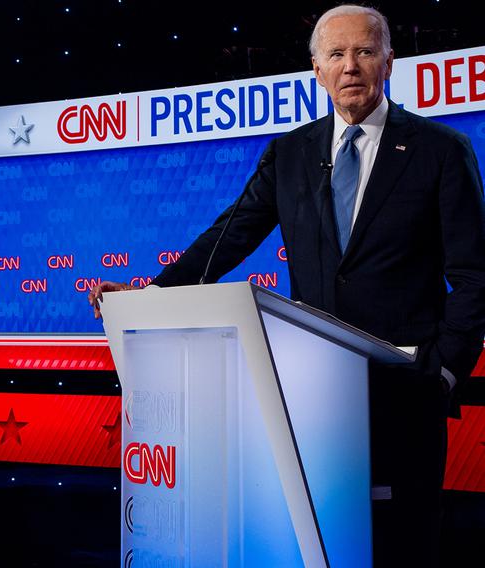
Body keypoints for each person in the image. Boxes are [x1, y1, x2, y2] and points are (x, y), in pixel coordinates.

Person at [89, 5, 485, 566]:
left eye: (366, 52)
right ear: (317, 71)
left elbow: (474, 277)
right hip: (312, 394)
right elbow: (230, 236)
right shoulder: (291, 151)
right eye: (337, 55)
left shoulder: (441, 150)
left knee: (402, 546)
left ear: (389, 62)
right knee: (318, 545)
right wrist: (154, 294)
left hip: (406, 394)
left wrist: (441, 373)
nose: (352, 66)